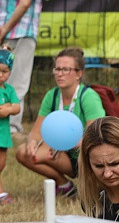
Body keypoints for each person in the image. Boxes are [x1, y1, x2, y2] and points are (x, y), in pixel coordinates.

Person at [16, 48, 105, 197]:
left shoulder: (88, 97)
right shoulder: (52, 95)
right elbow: (35, 133)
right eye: (57, 69)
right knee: (23, 152)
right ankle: (64, 185)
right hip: (62, 154)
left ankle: (96, 184)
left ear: (79, 74)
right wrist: (32, 142)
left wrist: (63, 143)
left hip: (87, 157)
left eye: (66, 69)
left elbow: (96, 136)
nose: (59, 73)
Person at [0, 0, 44, 134]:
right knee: (18, 82)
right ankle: (13, 129)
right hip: (22, 31)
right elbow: (26, 2)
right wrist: (8, 26)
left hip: (2, 32)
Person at [0, 49, 19, 204]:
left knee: (2, 163)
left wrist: (8, 109)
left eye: (4, 71)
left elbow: (17, 107)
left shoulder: (9, 90)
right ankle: (0, 193)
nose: (1, 75)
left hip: (3, 133)